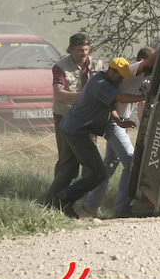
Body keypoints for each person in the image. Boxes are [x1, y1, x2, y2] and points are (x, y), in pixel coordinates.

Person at [48, 57, 145, 219]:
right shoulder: (101, 83)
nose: (121, 80)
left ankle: (52, 203)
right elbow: (120, 98)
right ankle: (63, 199)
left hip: (71, 128)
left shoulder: (106, 81)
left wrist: (119, 121)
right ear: (112, 71)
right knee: (99, 173)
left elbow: (110, 104)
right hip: (76, 131)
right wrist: (144, 97)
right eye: (120, 76)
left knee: (70, 170)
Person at [82, 47, 156, 218]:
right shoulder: (131, 71)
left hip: (121, 123)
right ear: (141, 61)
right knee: (131, 163)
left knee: (109, 165)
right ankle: (122, 208)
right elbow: (119, 100)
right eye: (149, 67)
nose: (149, 73)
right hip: (113, 122)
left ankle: (90, 206)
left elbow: (142, 103)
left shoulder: (145, 79)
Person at [45, 33, 103, 205]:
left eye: (86, 49)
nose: (83, 53)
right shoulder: (61, 66)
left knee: (89, 164)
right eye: (79, 50)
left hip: (88, 120)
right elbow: (59, 94)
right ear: (70, 49)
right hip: (65, 120)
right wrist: (84, 95)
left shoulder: (98, 64)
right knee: (67, 164)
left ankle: (83, 203)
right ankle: (55, 202)